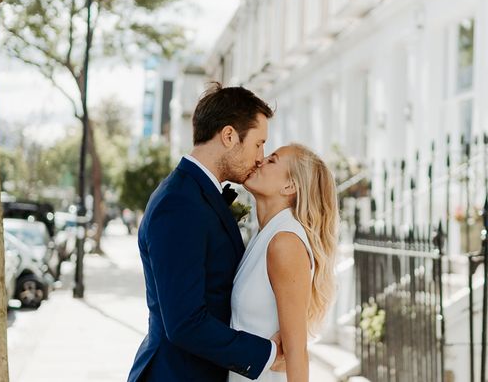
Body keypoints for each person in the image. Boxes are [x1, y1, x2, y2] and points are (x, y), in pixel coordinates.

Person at [128, 84, 283, 381]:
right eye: (258, 144)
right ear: (228, 136)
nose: (261, 157)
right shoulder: (179, 203)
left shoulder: (197, 195)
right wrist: (266, 353)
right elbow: (185, 322)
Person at [230, 143, 339, 381]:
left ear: (290, 186)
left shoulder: (285, 242)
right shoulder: (266, 235)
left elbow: (296, 352)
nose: (260, 160)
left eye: (272, 160)